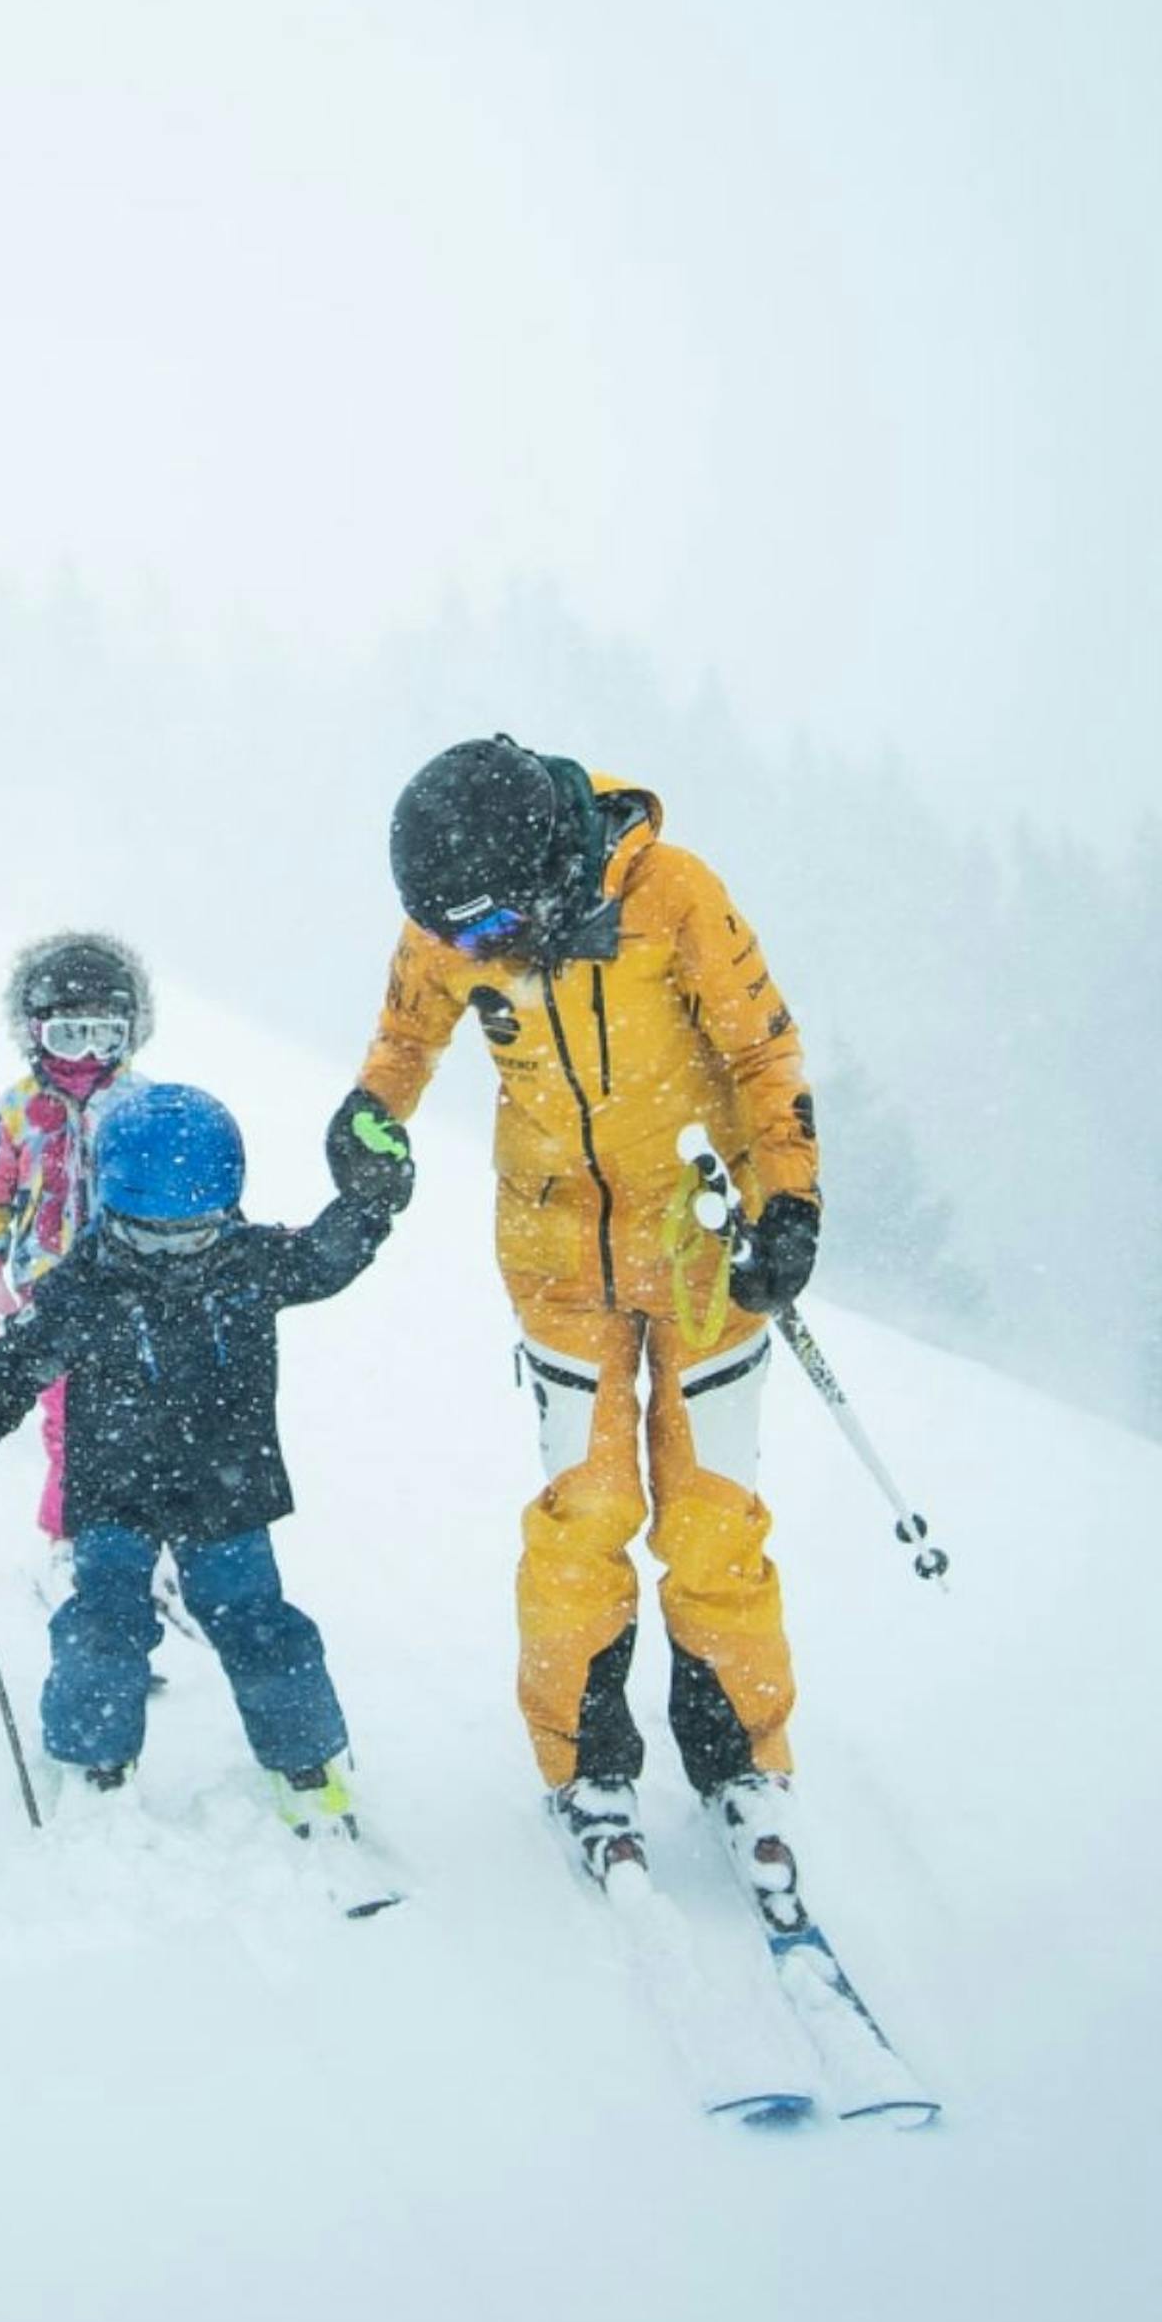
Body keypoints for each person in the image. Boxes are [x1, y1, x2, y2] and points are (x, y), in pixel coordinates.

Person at [328, 735, 824, 1896]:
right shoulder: (458, 914)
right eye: (457, 938)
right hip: (554, 1253)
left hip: (702, 1246)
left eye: (492, 935)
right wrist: (368, 1116)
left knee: (711, 1513)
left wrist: (789, 1203)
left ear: (549, 872)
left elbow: (763, 1051)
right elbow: (407, 1036)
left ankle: (740, 1760)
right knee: (582, 1513)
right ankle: (587, 1761)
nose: (473, 956)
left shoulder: (675, 895)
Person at [0, 1082, 401, 1834]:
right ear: (111, 1210)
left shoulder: (249, 1261)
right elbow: (24, 1356)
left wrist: (371, 1200)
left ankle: (305, 1761)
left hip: (226, 1490)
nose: (171, 1256)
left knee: (258, 1623)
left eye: (193, 1235)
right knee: (103, 1625)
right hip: (116, 1489)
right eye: (148, 1236)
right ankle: (95, 1759)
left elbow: (324, 1258)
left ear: (227, 1210)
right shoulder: (86, 1282)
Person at [0, 933, 152, 1570]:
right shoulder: (17, 1112)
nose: (87, 1055)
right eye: (68, 1037)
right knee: (72, 1424)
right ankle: (70, 1541)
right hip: (53, 1296)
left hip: (138, 1290)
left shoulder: (142, 1103)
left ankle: (140, 1538)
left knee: (145, 1422)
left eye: (104, 1036)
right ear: (34, 1033)